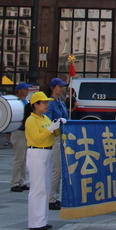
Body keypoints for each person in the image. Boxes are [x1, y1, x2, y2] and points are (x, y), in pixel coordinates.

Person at [25, 91, 62, 230]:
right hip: (36, 153)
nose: (47, 105)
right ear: (35, 105)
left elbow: (51, 135)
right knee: (37, 189)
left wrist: (58, 127)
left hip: (47, 152)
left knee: (45, 188)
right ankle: (35, 221)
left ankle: (42, 220)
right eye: (44, 102)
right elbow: (37, 138)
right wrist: (51, 129)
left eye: (47, 102)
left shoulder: (45, 118)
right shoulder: (31, 120)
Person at [44, 78, 69, 210]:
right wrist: (56, 121)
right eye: (60, 87)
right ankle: (51, 198)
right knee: (56, 169)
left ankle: (56, 196)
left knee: (60, 170)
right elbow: (47, 119)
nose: (62, 89)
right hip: (55, 138)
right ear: (53, 88)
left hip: (63, 137)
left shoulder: (62, 103)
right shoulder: (50, 103)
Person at [9, 82, 31, 193]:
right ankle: (14, 182)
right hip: (19, 131)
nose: (27, 91)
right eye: (25, 89)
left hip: (26, 131)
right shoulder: (15, 102)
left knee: (23, 159)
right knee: (18, 158)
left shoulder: (26, 102)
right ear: (19, 91)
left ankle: (22, 181)